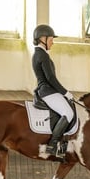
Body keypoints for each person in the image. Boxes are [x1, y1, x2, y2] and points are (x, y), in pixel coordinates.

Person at [32, 24, 74, 157]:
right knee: (68, 113)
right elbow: (50, 78)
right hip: (48, 91)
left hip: (48, 91)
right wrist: (65, 92)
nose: (52, 42)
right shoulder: (41, 55)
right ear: (42, 39)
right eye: (51, 39)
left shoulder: (41, 54)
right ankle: (52, 145)